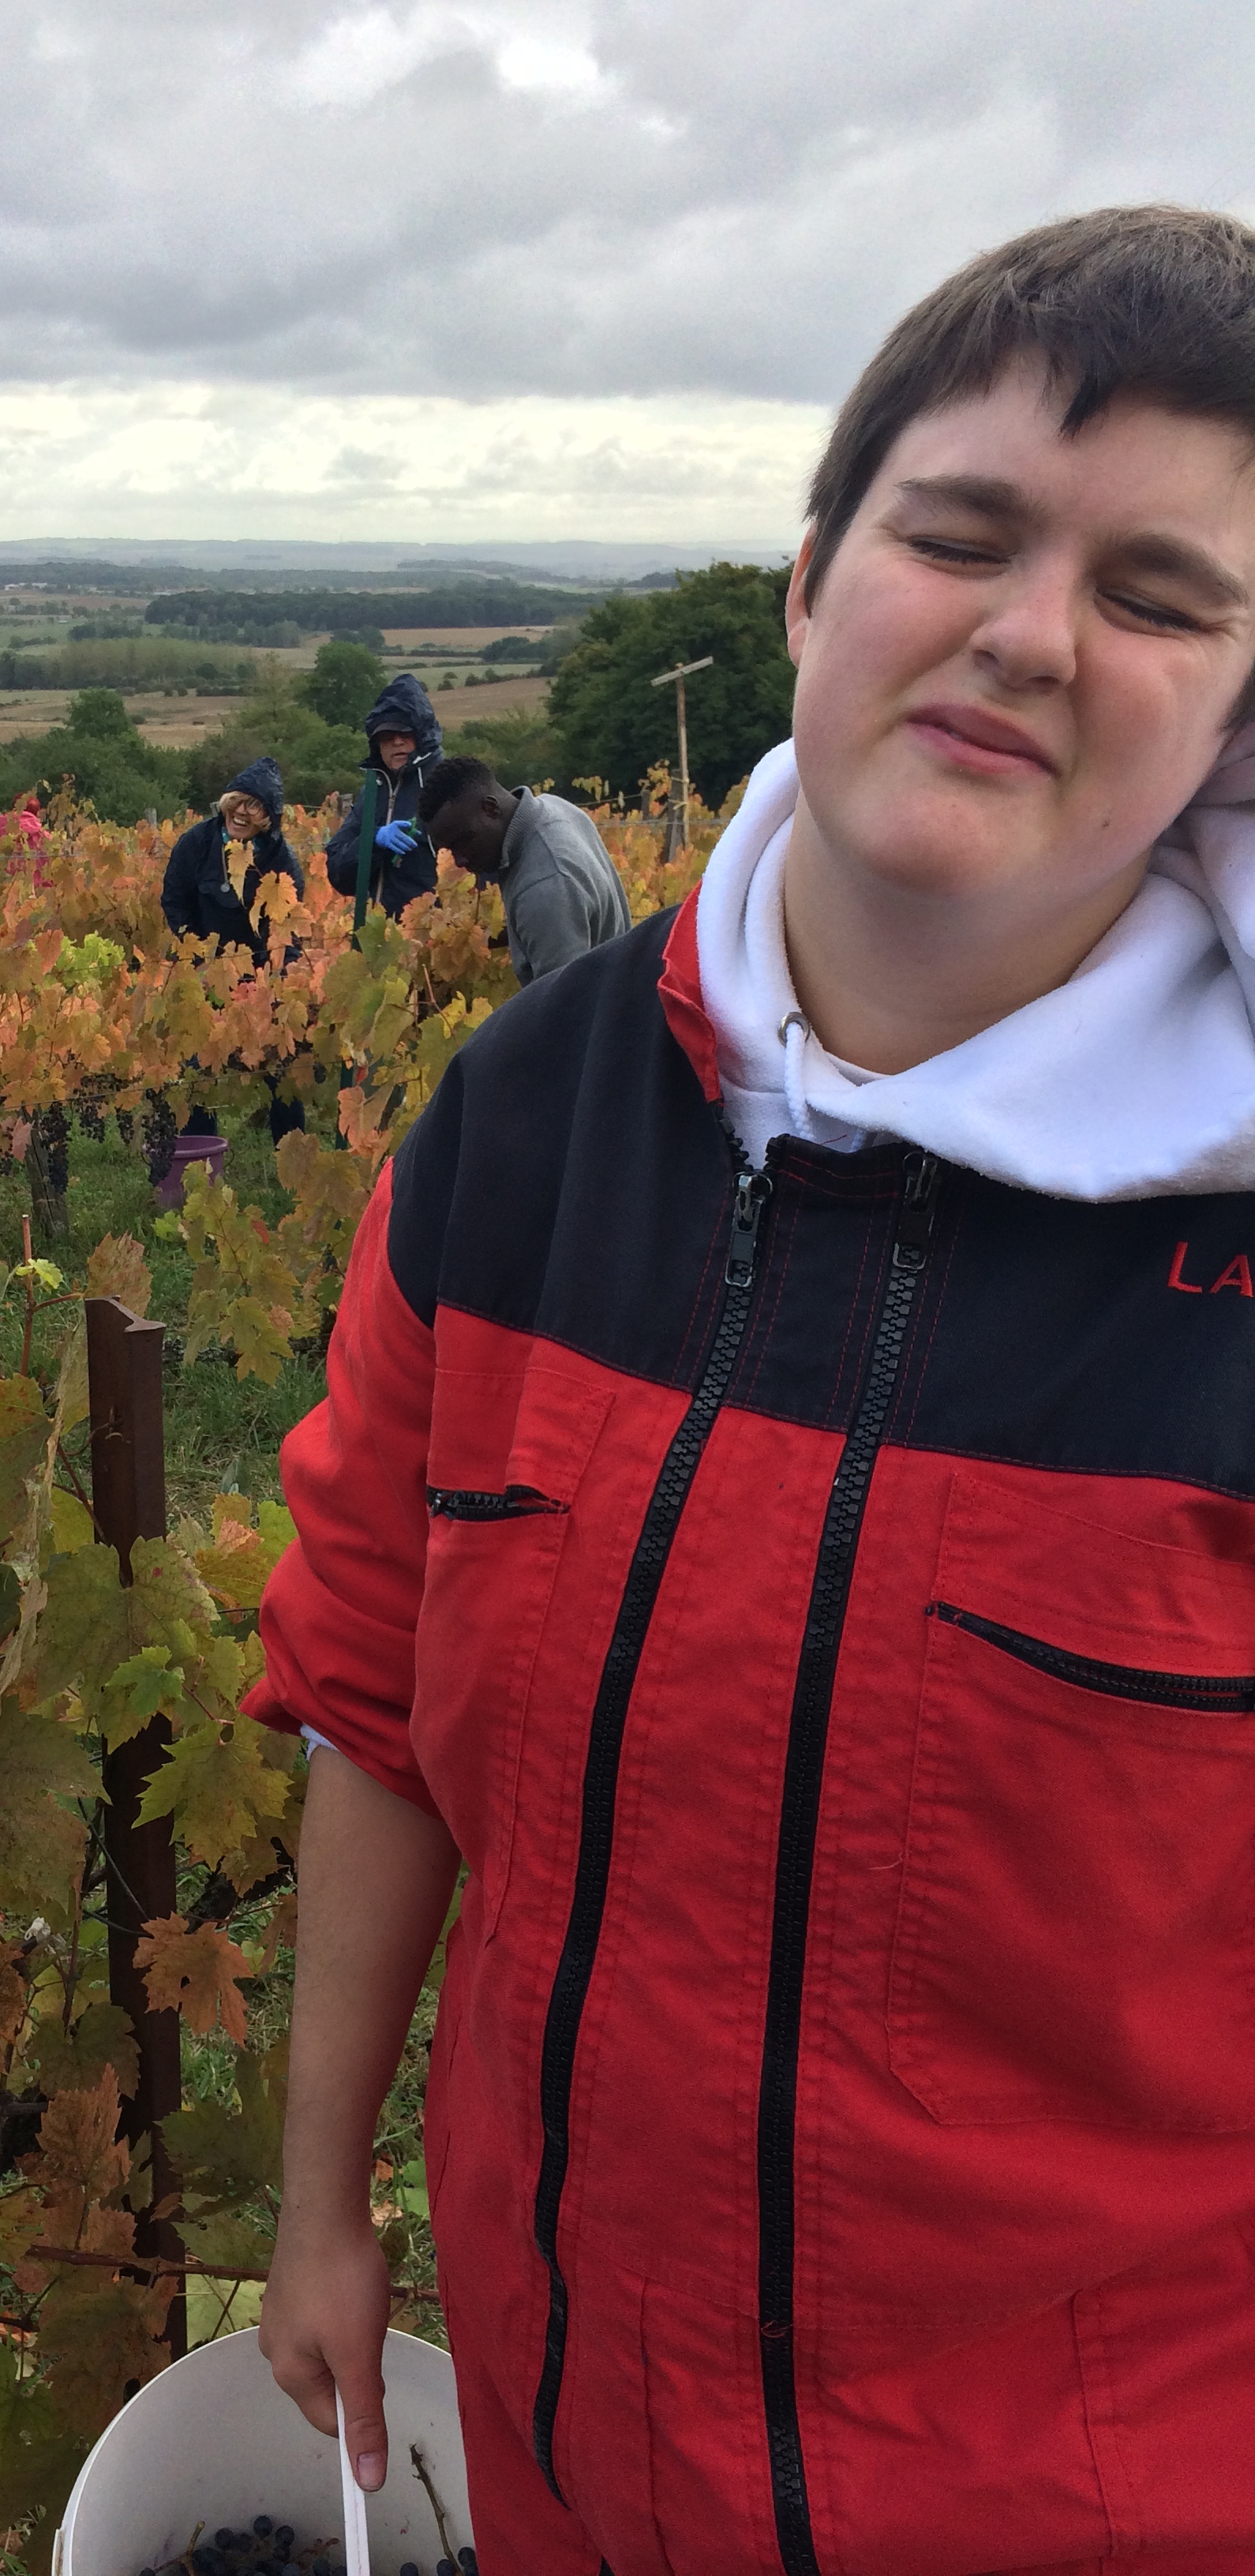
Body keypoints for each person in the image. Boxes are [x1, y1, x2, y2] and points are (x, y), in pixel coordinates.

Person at [253, 205, 1255, 2574]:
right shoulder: (522, 1123)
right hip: (560, 2442)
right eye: (961, 534)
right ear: (809, 584)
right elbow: (372, 1698)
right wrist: (316, 2201)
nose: (1029, 633)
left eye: (1156, 595)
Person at [161, 757, 307, 1145]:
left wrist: (280, 982)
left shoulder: (281, 861)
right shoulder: (197, 843)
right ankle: (199, 1149)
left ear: (268, 818)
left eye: (254, 806)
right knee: (197, 1066)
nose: (242, 812)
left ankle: (290, 1151)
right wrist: (195, 958)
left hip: (261, 975)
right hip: (205, 970)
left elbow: (287, 930)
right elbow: (175, 901)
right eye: (237, 801)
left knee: (280, 1068)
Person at [418, 755, 631, 983]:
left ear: (490, 808)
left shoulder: (544, 887)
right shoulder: (553, 807)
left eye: (463, 841)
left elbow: (566, 1000)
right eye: (449, 849)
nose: (459, 860)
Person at [322, 675, 442, 917]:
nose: (397, 742)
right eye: (387, 736)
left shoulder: (446, 786)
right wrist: (372, 841)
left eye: (406, 733)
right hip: (376, 932)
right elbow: (338, 874)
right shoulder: (372, 792)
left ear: (423, 735)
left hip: (434, 931)